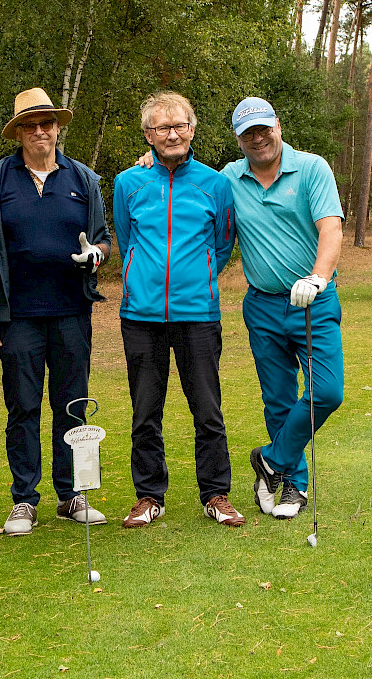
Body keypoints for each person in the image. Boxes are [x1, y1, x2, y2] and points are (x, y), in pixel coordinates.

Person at [0, 87, 112, 536]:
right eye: (30, 125)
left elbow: (104, 238)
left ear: (57, 128)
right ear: (18, 132)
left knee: (72, 405)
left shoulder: (84, 179)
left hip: (72, 311)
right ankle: (24, 500)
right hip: (17, 316)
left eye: (47, 123)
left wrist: (96, 254)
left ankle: (72, 495)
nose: (40, 131)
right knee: (23, 406)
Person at [112, 92, 244, 528]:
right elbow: (127, 241)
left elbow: (222, 244)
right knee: (145, 412)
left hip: (197, 315)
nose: (172, 135)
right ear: (148, 135)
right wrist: (142, 278)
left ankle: (216, 494)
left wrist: (196, 275)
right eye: (162, 127)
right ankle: (149, 496)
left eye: (180, 126)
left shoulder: (215, 184)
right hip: (141, 316)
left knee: (207, 410)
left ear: (192, 130)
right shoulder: (128, 182)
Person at [225, 97, 344, 521]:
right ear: (238, 138)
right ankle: (294, 484)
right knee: (277, 399)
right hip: (262, 305)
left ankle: (270, 459)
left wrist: (319, 277)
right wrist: (152, 160)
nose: (258, 138)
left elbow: (330, 227)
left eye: (263, 128)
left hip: (313, 300)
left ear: (277, 125)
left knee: (326, 392)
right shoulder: (228, 178)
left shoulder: (311, 168)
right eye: (248, 133)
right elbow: (187, 180)